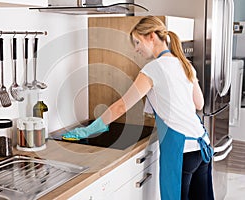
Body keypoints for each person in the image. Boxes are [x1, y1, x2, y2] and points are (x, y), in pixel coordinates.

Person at [63, 16, 214, 200]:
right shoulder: (184, 63)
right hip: (202, 147)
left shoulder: (153, 69)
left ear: (151, 36)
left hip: (180, 151)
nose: (136, 49)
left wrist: (89, 130)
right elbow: (199, 104)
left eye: (137, 41)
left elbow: (120, 107)